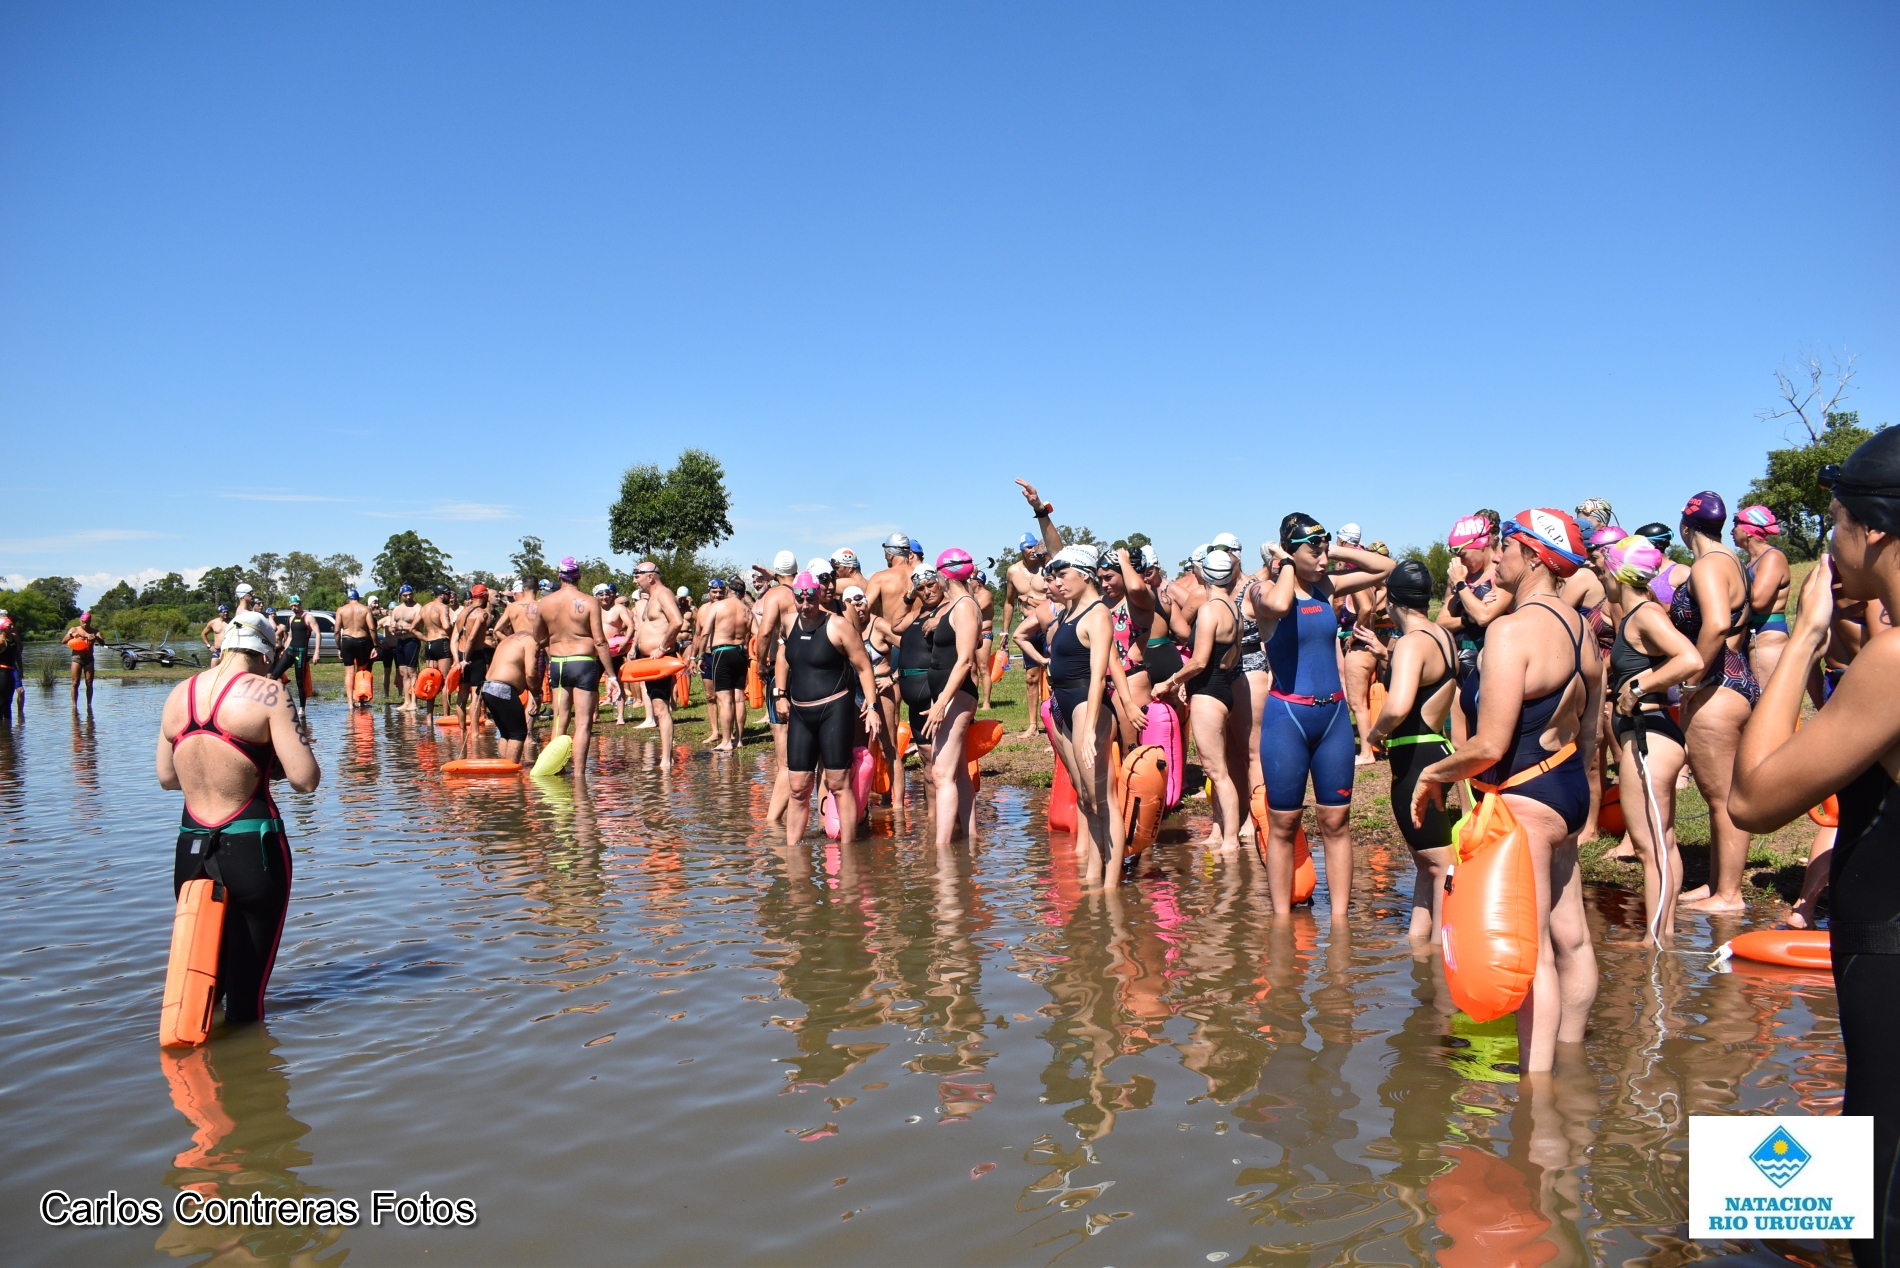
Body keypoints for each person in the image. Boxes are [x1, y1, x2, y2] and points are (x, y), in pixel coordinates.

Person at [1729, 428, 1900, 1267]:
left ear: (1871, 532)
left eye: (1831, 521)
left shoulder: (1897, 661)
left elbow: (1753, 797)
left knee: (1883, 1199)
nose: (1824, 542)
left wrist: (1801, 636)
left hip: (1891, 964)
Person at [1411, 509, 1601, 1074]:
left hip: (1524, 796)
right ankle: (1569, 1060)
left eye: (1508, 548)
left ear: (1534, 556)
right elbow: (1591, 726)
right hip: (1566, 787)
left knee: (1533, 949)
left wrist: (1433, 774)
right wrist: (1580, 790)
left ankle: (1537, 1094)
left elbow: (1490, 745)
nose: (1497, 558)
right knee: (1574, 938)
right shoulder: (1580, 626)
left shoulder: (1511, 630)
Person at [155, 610, 321, 1027]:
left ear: (226, 643)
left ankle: (198, 1079)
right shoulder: (269, 693)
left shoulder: (179, 693)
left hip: (190, 851)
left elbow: (167, 778)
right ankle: (252, 1080)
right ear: (266, 652)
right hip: (252, 849)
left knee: (202, 990)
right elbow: (305, 780)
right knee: (248, 1001)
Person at [1249, 515, 1397, 914]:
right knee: (1283, 826)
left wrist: (1331, 551)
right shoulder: (1262, 590)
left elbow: (1386, 568)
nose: (1322, 558)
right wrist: (1284, 564)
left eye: (1324, 549)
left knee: (1336, 824)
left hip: (1331, 719)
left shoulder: (1326, 585)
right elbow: (1281, 605)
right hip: (1288, 720)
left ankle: (1340, 923)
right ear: (1289, 553)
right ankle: (1281, 924)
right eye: (1313, 551)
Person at [1597, 536, 1704, 945]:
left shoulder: (1644, 613)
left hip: (1650, 736)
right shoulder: (1635, 615)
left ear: (1615, 572)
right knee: (1662, 842)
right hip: (1649, 735)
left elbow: (1690, 659)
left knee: (1649, 847)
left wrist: (1640, 687)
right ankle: (1665, 934)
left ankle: (1655, 942)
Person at [1669, 492, 1758, 915]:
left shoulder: (1706, 565)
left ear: (1687, 529)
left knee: (1723, 798)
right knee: (1720, 796)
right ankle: (1719, 884)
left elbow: (1719, 623)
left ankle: (1729, 895)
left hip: (1717, 686)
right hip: (1736, 676)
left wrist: (1691, 679)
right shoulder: (1733, 561)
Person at [1365, 560, 1459, 941]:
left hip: (1416, 759)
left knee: (1440, 865)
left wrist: (1373, 734)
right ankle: (1419, 951)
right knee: (1426, 864)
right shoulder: (1441, 635)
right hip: (1434, 749)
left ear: (1391, 601)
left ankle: (1441, 959)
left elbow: (1399, 706)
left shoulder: (1411, 643)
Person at [773, 571, 882, 848]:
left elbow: (863, 667)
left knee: (838, 783)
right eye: (800, 599)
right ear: (794, 597)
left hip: (834, 711)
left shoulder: (838, 626)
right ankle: (793, 853)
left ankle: (849, 852)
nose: (805, 604)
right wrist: (780, 694)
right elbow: (783, 658)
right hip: (800, 712)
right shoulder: (787, 623)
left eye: (810, 598)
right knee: (797, 787)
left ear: (819, 596)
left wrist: (871, 706)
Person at [1042, 544, 1126, 884]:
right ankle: (1094, 872)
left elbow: (1098, 675)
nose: (1057, 583)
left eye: (1063, 576)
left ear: (1084, 574)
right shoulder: (1068, 612)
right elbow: (1056, 548)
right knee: (1085, 796)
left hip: (1085, 706)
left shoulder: (1097, 614)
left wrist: (1090, 726)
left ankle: (1111, 884)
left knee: (1102, 798)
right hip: (1063, 704)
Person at [1156, 544, 1247, 851]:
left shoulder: (1209, 610)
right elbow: (1231, 657)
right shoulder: (1235, 607)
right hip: (1222, 687)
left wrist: (1170, 681)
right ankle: (1219, 832)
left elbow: (1198, 660)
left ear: (1203, 575)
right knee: (1217, 768)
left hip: (1209, 693)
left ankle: (1230, 841)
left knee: (1217, 771)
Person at [921, 548, 984, 844]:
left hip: (956, 697)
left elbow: (965, 661)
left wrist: (942, 703)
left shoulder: (964, 607)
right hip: (948, 695)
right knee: (957, 772)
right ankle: (970, 840)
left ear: (943, 574)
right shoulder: (956, 604)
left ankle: (942, 852)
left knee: (941, 774)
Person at [543, 558, 623, 772]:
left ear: (559, 577)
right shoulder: (589, 601)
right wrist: (612, 676)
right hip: (584, 663)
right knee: (583, 724)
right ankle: (579, 775)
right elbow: (599, 641)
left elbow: (539, 638)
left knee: (559, 721)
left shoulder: (545, 603)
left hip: (558, 663)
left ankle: (557, 770)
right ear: (579, 576)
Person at [755, 552, 801, 822]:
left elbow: (763, 632)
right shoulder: (806, 588)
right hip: (808, 668)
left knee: (784, 757)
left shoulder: (774, 596)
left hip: (781, 669)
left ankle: (774, 822)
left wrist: (761, 663)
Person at [628, 560, 681, 770]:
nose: (635, 579)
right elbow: (643, 626)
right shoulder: (650, 599)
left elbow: (677, 621)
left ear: (651, 576)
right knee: (656, 706)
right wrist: (634, 648)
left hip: (660, 660)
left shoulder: (664, 594)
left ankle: (667, 759)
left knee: (661, 708)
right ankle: (666, 756)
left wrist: (662, 647)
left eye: (637, 574)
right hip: (646, 660)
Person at [1001, 528, 1054, 740]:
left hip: (1048, 626)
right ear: (1022, 550)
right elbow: (1008, 602)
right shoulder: (1013, 572)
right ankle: (1032, 724)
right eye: (1028, 547)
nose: (1032, 551)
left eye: (1034, 546)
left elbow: (1058, 599)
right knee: (1031, 678)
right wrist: (1005, 631)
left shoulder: (1047, 568)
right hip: (1028, 627)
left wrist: (1032, 601)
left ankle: (1054, 722)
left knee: (1053, 675)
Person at [1734, 505, 1793, 687]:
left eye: (1735, 524)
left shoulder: (1772, 557)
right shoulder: (1751, 562)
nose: (1732, 530)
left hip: (1769, 639)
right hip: (1752, 637)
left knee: (1771, 705)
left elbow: (1759, 601)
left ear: (1748, 530)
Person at [699, 578, 752, 752]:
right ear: (743, 593)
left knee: (725, 701)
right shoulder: (747, 610)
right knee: (739, 698)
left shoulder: (717, 606)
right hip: (740, 653)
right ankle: (739, 739)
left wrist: (699, 656)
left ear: (728, 590)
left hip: (721, 652)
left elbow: (705, 632)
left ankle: (727, 741)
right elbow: (759, 633)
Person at [480, 629, 541, 764]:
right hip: (503, 688)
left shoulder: (509, 639)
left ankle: (504, 769)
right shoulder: (532, 640)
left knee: (506, 733)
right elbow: (531, 674)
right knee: (518, 733)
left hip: (488, 687)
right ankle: (512, 776)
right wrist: (537, 696)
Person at [268, 596, 321, 723]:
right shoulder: (291, 618)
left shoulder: (308, 617)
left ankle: (302, 709)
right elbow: (290, 636)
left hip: (301, 653)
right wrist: (285, 650)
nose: (293, 608)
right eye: (291, 606)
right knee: (274, 675)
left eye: (295, 605)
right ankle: (271, 702)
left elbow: (318, 634)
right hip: (290, 651)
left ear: (300, 604)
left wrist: (316, 653)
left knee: (299, 682)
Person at [450, 585, 495, 733]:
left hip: (461, 655)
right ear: (485, 596)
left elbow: (454, 638)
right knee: (475, 695)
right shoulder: (482, 614)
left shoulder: (462, 612)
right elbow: (472, 638)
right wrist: (466, 660)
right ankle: (474, 734)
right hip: (474, 656)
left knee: (462, 695)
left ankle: (463, 732)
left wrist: (458, 660)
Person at [418, 585, 456, 716]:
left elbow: (413, 628)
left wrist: (425, 638)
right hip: (442, 642)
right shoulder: (443, 608)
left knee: (431, 680)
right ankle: (446, 716)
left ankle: (429, 717)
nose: (450, 596)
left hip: (429, 644)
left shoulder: (424, 608)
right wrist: (454, 636)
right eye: (447, 594)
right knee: (445, 681)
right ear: (440, 594)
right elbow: (446, 626)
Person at [334, 589, 375, 703]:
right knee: (361, 670)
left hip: (347, 640)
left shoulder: (341, 610)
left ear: (348, 598)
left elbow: (337, 631)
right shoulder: (365, 609)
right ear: (359, 598)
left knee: (349, 672)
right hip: (362, 641)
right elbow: (372, 628)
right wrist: (375, 645)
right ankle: (360, 697)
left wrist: (339, 647)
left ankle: (350, 703)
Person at [387, 585, 423, 711]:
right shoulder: (397, 609)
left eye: (410, 594)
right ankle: (406, 701)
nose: (408, 597)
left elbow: (417, 626)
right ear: (400, 595)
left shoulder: (418, 608)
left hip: (412, 641)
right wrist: (393, 630)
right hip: (400, 642)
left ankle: (414, 701)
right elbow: (391, 625)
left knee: (412, 672)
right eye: (405, 595)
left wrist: (401, 628)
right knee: (403, 672)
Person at [64, 609, 105, 710]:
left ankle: (89, 705)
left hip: (89, 659)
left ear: (90, 621)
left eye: (87, 622)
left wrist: (96, 638)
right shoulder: (74, 629)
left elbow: (103, 643)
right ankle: (74, 706)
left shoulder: (95, 631)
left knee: (89, 682)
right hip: (77, 658)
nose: (85, 624)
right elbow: (63, 641)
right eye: (83, 622)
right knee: (75, 682)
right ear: (80, 621)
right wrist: (71, 635)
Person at [0, 615, 22, 719]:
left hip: (11, 672)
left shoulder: (13, 638)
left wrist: (21, 669)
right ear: (3, 627)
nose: (12, 626)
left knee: (9, 701)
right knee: (2, 701)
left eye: (12, 624)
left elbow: (17, 654)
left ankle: (7, 730)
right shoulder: (1, 641)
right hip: (2, 673)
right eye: (9, 625)